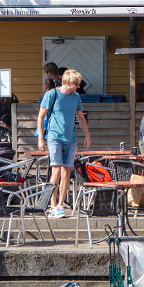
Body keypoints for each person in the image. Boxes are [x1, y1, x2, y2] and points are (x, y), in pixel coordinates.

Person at [37, 69, 91, 218]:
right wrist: (41, 137)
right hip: (54, 136)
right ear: (67, 82)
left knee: (67, 171)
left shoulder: (76, 97)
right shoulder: (52, 94)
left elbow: (80, 117)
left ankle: (61, 204)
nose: (77, 87)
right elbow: (41, 116)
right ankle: (52, 204)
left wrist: (87, 135)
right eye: (76, 84)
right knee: (56, 170)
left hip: (71, 137)